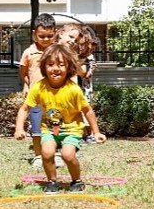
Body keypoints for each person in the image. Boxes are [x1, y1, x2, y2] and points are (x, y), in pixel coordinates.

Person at [14, 44, 107, 194]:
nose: (55, 69)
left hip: (72, 129)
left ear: (68, 67)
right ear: (44, 67)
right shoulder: (39, 87)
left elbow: (87, 110)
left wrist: (96, 132)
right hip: (50, 128)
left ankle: (77, 180)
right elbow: (25, 109)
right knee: (47, 153)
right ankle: (52, 182)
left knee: (67, 155)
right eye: (50, 65)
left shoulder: (73, 89)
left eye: (61, 65)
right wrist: (19, 129)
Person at [19, 13, 61, 166]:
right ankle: (38, 155)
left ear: (55, 33)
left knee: (55, 125)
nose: (45, 40)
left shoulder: (57, 52)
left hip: (54, 96)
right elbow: (23, 73)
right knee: (37, 127)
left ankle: (55, 154)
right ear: (34, 35)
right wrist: (26, 85)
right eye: (41, 36)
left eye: (49, 36)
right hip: (36, 97)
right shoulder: (29, 53)